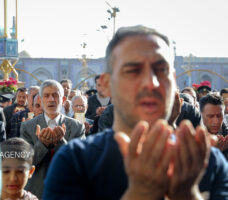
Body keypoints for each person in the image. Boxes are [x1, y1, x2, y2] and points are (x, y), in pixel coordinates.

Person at [43, 25, 228, 200]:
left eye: (161, 70)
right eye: (133, 71)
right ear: (107, 85)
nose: (151, 83)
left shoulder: (205, 162)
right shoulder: (75, 162)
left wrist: (187, 194)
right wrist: (141, 193)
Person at [20, 80, 85, 198]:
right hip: (37, 192)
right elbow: (26, 162)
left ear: (63, 100)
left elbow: (79, 162)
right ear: (40, 99)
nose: (51, 99)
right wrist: (42, 144)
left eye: (55, 95)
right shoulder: (28, 127)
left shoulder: (77, 127)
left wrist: (61, 142)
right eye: (46, 95)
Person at [200, 93, 228, 160]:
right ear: (201, 115)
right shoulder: (193, 138)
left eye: (219, 116)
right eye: (210, 116)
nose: (216, 121)